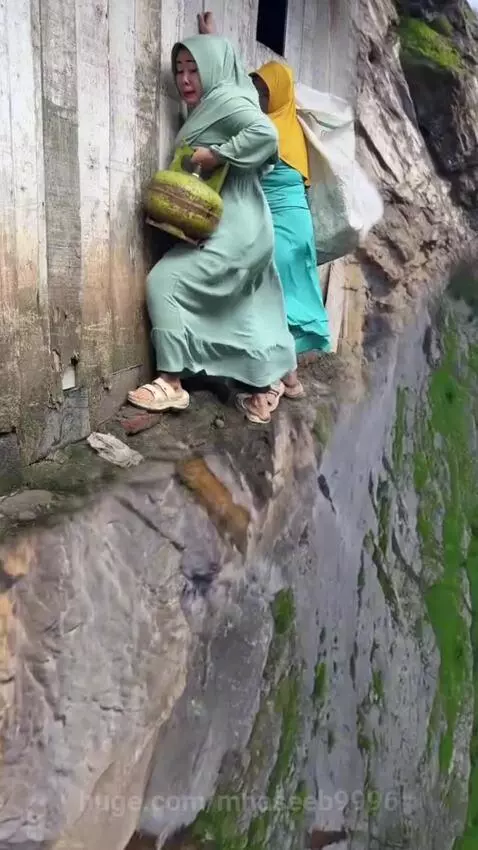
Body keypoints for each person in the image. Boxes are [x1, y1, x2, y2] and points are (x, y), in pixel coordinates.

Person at [128, 35, 297, 424]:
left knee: (165, 283)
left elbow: (267, 135)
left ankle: (171, 382)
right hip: (248, 225)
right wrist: (210, 32)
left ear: (213, 70)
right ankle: (274, 379)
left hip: (235, 227)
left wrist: (218, 154)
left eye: (195, 69)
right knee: (246, 308)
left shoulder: (228, 102)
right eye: (180, 70)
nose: (185, 79)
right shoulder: (219, 97)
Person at [198, 12, 331, 377]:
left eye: (264, 92)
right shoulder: (293, 130)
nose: (257, 97)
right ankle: (287, 381)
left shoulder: (267, 130)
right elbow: (238, 87)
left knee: (270, 303)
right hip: (297, 230)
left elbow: (232, 95)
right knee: (286, 304)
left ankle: (269, 384)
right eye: (258, 90)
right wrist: (213, 39)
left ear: (278, 96)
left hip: (282, 235)